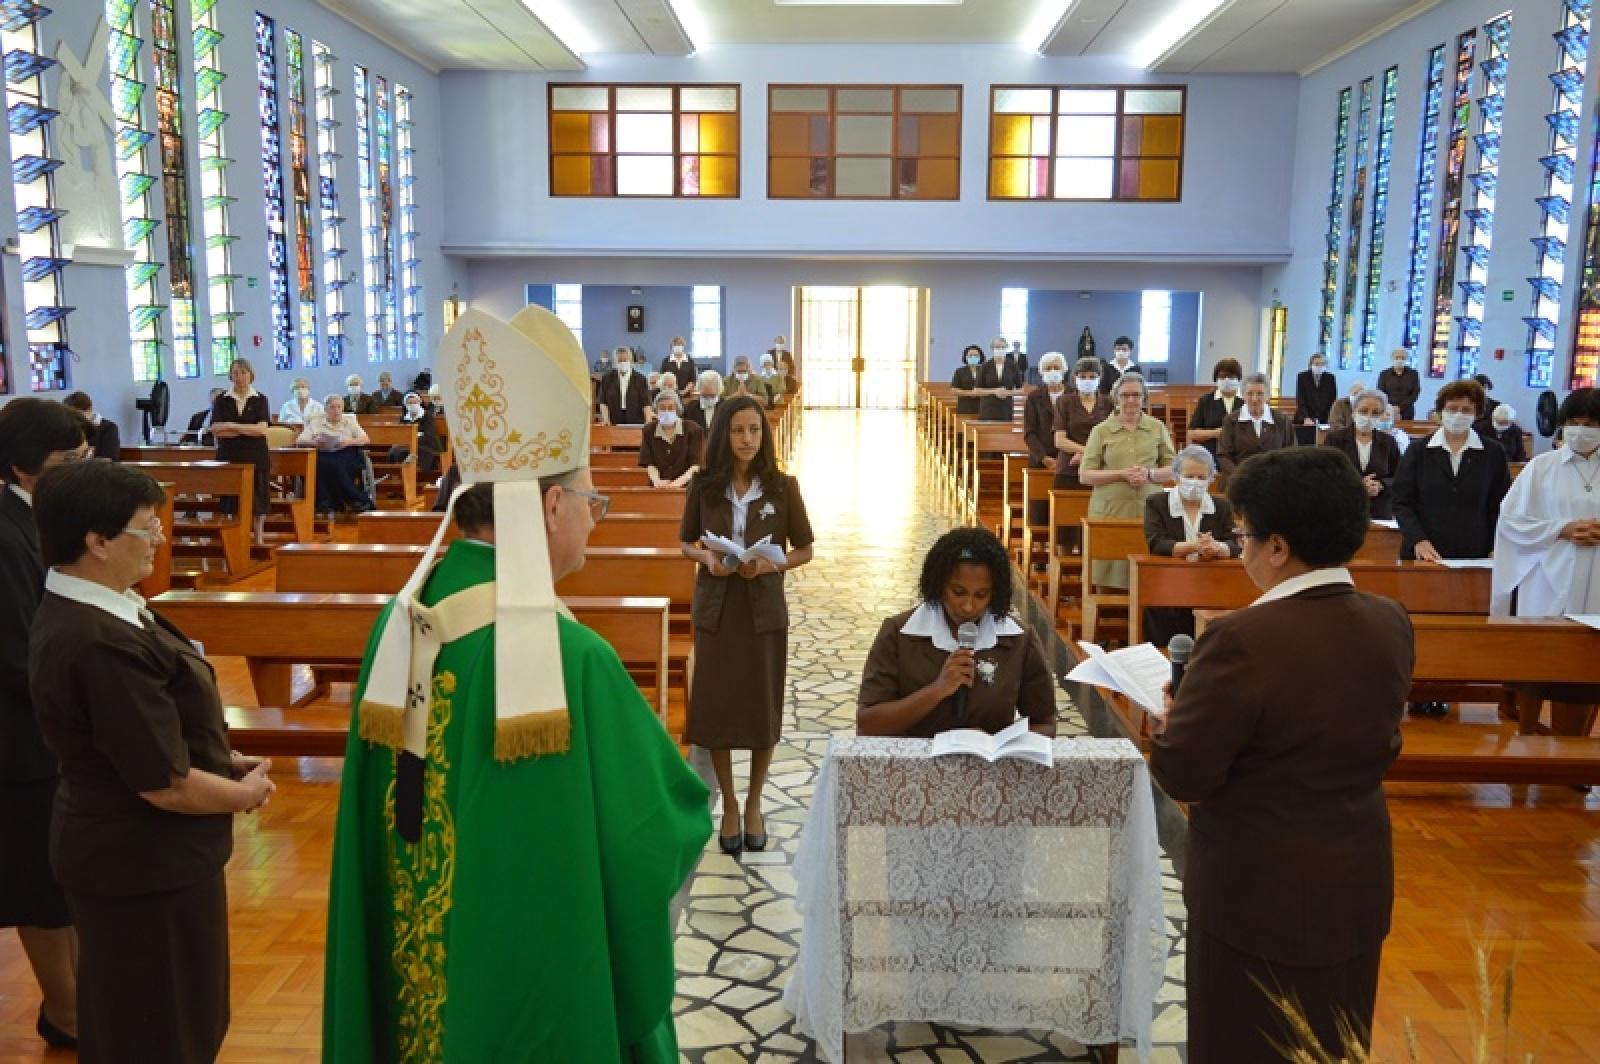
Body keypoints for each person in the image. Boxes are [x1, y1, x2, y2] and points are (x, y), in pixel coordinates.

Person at [325, 304, 710, 1062]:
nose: (596, 522)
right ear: (551, 506)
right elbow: (652, 837)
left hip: (416, 992)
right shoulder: (573, 661)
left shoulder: (401, 621)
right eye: (593, 502)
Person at [1150, 446, 1412, 1064]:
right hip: (1355, 877)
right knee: (1332, 1045)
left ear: (1277, 547)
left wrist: (1169, 718)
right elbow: (1380, 740)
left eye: (1243, 536)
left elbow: (1183, 771)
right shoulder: (1389, 620)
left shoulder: (1241, 639)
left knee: (1240, 1044)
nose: (1239, 550)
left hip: (1257, 890)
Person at [31, 460, 275, 1064]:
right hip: (141, 861)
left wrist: (219, 757)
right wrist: (243, 795)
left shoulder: (104, 605)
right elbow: (163, 785)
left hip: (141, 856)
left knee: (166, 1014)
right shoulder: (97, 639)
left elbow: (142, 731)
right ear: (97, 540)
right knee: (159, 1029)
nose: (161, 539)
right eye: (147, 528)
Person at [679, 395, 815, 856]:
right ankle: (731, 806)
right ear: (724, 434)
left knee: (761, 707)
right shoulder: (705, 485)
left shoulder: (783, 487)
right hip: (717, 604)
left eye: (754, 431)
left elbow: (805, 549)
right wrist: (708, 559)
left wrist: (772, 566)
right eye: (738, 431)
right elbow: (686, 543)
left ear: (764, 435)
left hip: (762, 606)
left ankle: (755, 801)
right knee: (717, 709)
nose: (746, 440)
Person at [0, 400, 89, 1051]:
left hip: (49, 730)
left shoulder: (41, 519)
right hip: (20, 741)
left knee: (68, 878)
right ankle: (65, 1011)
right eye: (67, 465)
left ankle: (85, 996)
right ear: (21, 469)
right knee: (42, 885)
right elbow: (18, 652)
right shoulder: (6, 535)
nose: (80, 475)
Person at [857, 527, 1056, 738]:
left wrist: (998, 745)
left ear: (995, 594)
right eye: (958, 592)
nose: (969, 606)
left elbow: (1045, 725)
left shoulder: (1019, 640)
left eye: (981, 595)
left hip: (989, 768)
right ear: (939, 584)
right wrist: (938, 689)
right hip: (915, 766)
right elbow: (868, 725)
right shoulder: (898, 633)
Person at [1491, 387, 1600, 736]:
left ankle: (1577, 744)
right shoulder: (1542, 467)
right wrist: (1562, 529)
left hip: (1596, 578)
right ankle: (1527, 734)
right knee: (1540, 662)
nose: (1581, 430)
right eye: (1573, 423)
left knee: (1588, 664)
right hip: (1549, 574)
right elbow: (1510, 521)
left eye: (1590, 424)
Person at [1392, 378, 1510, 564]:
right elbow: (1401, 501)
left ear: (1477, 413)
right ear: (1441, 411)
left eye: (1466, 410)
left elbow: (1500, 504)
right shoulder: (1418, 450)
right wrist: (1418, 539)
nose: (1458, 415)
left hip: (1476, 552)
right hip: (1423, 552)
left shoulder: (1493, 453)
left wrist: (1496, 545)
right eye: (1452, 409)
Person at [1079, 372, 1175, 587]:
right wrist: (1120, 474)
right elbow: (1085, 475)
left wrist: (1149, 474)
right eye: (1125, 395)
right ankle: (1102, 610)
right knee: (1107, 567)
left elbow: (1174, 469)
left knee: (1146, 566)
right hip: (1110, 510)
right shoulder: (1101, 431)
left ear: (1144, 398)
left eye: (1136, 395)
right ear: (1116, 398)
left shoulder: (1157, 427)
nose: (1131, 400)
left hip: (1148, 509)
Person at [1140, 445, 1240, 646]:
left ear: (1212, 478)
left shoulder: (1221, 506)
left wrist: (1217, 548)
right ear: (1176, 476)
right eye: (1189, 476)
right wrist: (1194, 546)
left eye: (1202, 477)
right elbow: (1157, 543)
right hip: (1167, 589)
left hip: (1211, 587)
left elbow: (1234, 544)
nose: (1195, 482)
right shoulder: (1157, 503)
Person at [212, 358, 271, 547]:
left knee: (258, 500)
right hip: (230, 456)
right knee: (231, 500)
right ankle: (235, 537)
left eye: (243, 373)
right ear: (230, 375)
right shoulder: (222, 400)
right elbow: (217, 430)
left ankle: (259, 538)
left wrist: (232, 426)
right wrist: (246, 429)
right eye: (236, 373)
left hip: (256, 456)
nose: (240, 377)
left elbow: (261, 429)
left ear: (251, 375)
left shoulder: (260, 399)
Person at [1323, 388, 1402, 521]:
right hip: (1343, 508)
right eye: (1364, 411)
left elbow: (1399, 476)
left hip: (1379, 510)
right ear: (1354, 412)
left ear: (1382, 414)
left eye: (1375, 413)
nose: (1369, 416)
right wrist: (1358, 485)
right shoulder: (1334, 439)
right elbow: (1326, 474)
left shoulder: (1388, 442)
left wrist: (1381, 484)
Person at [298, 396, 373, 515]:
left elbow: (366, 439)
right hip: (323, 452)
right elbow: (300, 440)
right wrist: (314, 443)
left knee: (336, 465)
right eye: (332, 407)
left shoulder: (350, 421)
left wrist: (348, 442)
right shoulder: (316, 422)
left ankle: (354, 499)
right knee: (320, 464)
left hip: (346, 452)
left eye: (339, 407)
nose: (336, 410)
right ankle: (326, 503)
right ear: (325, 409)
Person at [1051, 355, 1113, 491]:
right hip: (1069, 468)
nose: (1087, 380)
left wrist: (1086, 455)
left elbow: (1113, 437)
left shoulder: (1109, 403)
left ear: (1099, 378)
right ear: (1075, 378)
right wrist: (1087, 451)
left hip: (1100, 469)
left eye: (1092, 377)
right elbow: (1060, 441)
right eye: (1083, 377)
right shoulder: (1064, 402)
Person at [1217, 372, 1296, 478]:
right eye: (1250, 393)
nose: (1254, 399)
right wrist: (1240, 477)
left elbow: (1292, 453)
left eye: (1260, 394)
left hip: (1275, 480)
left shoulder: (1282, 420)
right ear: (1243, 395)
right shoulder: (1231, 420)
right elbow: (1224, 456)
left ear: (1268, 396)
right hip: (1238, 481)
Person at [639, 389, 703, 488]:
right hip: (658, 486)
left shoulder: (693, 429)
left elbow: (696, 464)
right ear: (656, 410)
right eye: (662, 408)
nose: (666, 411)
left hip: (687, 486)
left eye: (670, 408)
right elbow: (649, 462)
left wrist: (679, 482)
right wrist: (657, 481)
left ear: (677, 410)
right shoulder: (649, 430)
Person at [1187, 358, 1244, 455]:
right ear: (1216, 379)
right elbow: (1192, 433)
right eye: (1222, 377)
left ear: (1238, 378)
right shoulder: (1206, 401)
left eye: (1231, 377)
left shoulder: (1246, 401)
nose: (1227, 380)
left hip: (1240, 453)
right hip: (1211, 452)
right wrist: (1215, 433)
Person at [1022, 351, 1068, 473]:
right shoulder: (1034, 397)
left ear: (1064, 370)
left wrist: (1065, 458)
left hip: (1070, 460)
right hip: (1040, 460)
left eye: (1056, 368)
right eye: (1048, 369)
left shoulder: (1073, 395)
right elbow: (1029, 432)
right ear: (1042, 372)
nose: (1052, 371)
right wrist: (1043, 457)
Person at [597, 346, 651, 425]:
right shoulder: (607, 378)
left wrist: (648, 421)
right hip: (613, 420)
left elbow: (646, 403)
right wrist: (606, 419)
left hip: (636, 421)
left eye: (625, 360)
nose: (622, 363)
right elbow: (603, 401)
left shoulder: (641, 379)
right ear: (615, 363)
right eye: (619, 361)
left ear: (631, 361)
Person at [975, 336, 1023, 420]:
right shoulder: (985, 366)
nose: (1000, 349)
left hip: (1006, 408)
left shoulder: (1013, 366)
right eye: (997, 347)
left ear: (1006, 348)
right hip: (988, 408)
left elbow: (1020, 390)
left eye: (1002, 347)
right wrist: (994, 391)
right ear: (992, 349)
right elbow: (977, 390)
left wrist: (1007, 392)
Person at [61, 392, 120, 461]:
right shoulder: (68, 427)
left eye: (78, 416)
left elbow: (110, 459)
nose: (75, 421)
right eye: (71, 417)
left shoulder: (109, 427)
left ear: (89, 410)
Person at [1293, 352, 1336, 444]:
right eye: (1316, 364)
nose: (1319, 366)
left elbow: (1332, 400)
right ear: (1310, 365)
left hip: (1324, 417)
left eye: (1322, 364)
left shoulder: (1330, 378)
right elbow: (1300, 399)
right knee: (1305, 442)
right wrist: (1306, 417)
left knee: (1324, 443)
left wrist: (1330, 418)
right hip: (1305, 417)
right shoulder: (1302, 377)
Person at [399, 391, 442, 475]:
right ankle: (401, 473)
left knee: (420, 451)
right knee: (396, 450)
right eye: (409, 403)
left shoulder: (427, 416)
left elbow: (430, 433)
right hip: (408, 444)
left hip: (426, 444)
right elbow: (401, 433)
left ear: (419, 402)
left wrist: (415, 439)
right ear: (405, 405)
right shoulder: (403, 418)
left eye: (414, 402)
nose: (412, 405)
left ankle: (420, 474)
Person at [1376, 348, 1421, 421]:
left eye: (1402, 358)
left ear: (1406, 359)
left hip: (1407, 410)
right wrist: (1391, 407)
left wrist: (1400, 407)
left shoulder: (1413, 374)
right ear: (1392, 359)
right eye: (1397, 357)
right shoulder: (1384, 374)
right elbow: (1380, 392)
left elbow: (1415, 392)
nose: (1400, 360)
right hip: (1388, 410)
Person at [950, 344, 986, 416]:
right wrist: (970, 393)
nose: (973, 357)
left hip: (982, 407)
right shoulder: (959, 371)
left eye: (976, 356)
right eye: (970, 355)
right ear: (966, 357)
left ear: (980, 357)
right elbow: (954, 390)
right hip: (965, 407)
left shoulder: (985, 371)